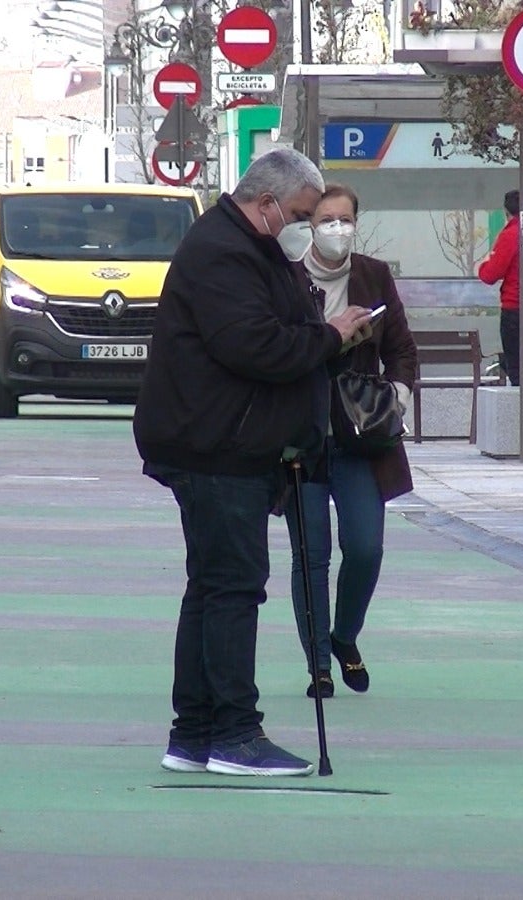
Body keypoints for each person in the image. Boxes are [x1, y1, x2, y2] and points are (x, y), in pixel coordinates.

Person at [133, 148, 372, 777]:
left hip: (227, 442)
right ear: (266, 203)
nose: (306, 224)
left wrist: (326, 337)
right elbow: (253, 344)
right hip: (217, 445)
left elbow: (274, 331)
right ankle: (234, 734)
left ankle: (195, 733)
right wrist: (330, 335)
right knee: (232, 587)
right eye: (299, 212)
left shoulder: (251, 248)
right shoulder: (223, 250)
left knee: (213, 587)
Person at [287, 183, 418, 700]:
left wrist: (397, 400)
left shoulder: (373, 275)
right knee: (311, 553)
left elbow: (403, 349)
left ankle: (344, 635)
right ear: (310, 225)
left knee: (365, 547)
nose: (337, 228)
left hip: (361, 436)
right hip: (300, 438)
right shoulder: (288, 278)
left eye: (345, 219)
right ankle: (319, 664)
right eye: (327, 219)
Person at [477, 189, 521, 385]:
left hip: (514, 307)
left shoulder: (511, 234)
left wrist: (485, 262)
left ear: (506, 211)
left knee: (516, 365)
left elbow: (489, 274)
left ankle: (521, 408)